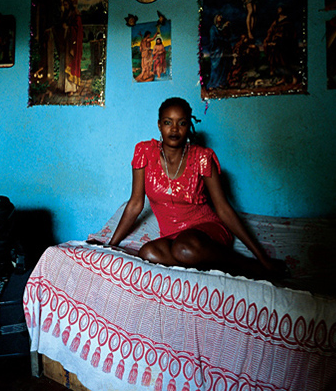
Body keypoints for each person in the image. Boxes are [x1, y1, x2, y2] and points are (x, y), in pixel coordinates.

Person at [107, 97, 286, 278]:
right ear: (159, 125)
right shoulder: (144, 153)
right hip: (173, 236)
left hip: (204, 232)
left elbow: (223, 209)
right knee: (148, 253)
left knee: (185, 249)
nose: (174, 129)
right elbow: (135, 204)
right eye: (168, 122)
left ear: (189, 126)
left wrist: (262, 258)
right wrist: (111, 244)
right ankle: (207, 264)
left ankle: (249, 266)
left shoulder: (202, 158)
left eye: (182, 123)